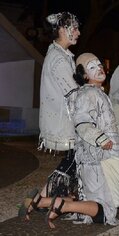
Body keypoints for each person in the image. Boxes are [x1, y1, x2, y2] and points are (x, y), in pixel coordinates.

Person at [36, 53, 119, 229]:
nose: (99, 68)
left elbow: (106, 124)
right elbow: (82, 123)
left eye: (99, 64)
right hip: (97, 158)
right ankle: (64, 205)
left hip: (105, 155)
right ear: (84, 76)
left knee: (104, 199)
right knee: (105, 209)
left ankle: (53, 202)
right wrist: (99, 139)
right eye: (92, 67)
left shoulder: (97, 94)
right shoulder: (88, 94)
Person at [18, 12, 82, 220]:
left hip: (66, 117)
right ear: (63, 30)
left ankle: (53, 199)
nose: (78, 33)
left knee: (74, 160)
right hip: (65, 119)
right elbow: (72, 92)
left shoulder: (61, 55)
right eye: (74, 28)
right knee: (74, 159)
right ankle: (41, 200)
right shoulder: (58, 59)